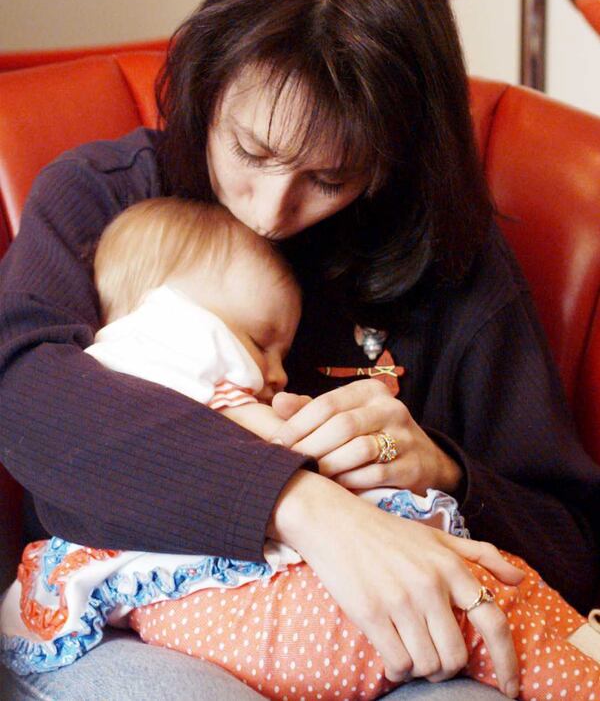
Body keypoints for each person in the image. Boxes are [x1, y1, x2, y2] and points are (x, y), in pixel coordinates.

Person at [0, 0, 599, 701]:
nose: (269, 211)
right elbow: (23, 389)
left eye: (330, 177)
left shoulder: (450, 262)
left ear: (391, 162)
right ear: (206, 86)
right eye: (251, 151)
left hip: (388, 650)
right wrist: (301, 504)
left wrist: (449, 467)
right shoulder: (109, 197)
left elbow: (574, 539)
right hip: (133, 621)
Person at [2, 198, 598, 701]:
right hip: (207, 609)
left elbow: (569, 525)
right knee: (481, 623)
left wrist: (438, 469)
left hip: (255, 607)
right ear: (170, 309)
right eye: (259, 341)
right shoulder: (158, 342)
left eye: (329, 177)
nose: (277, 374)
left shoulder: (463, 259)